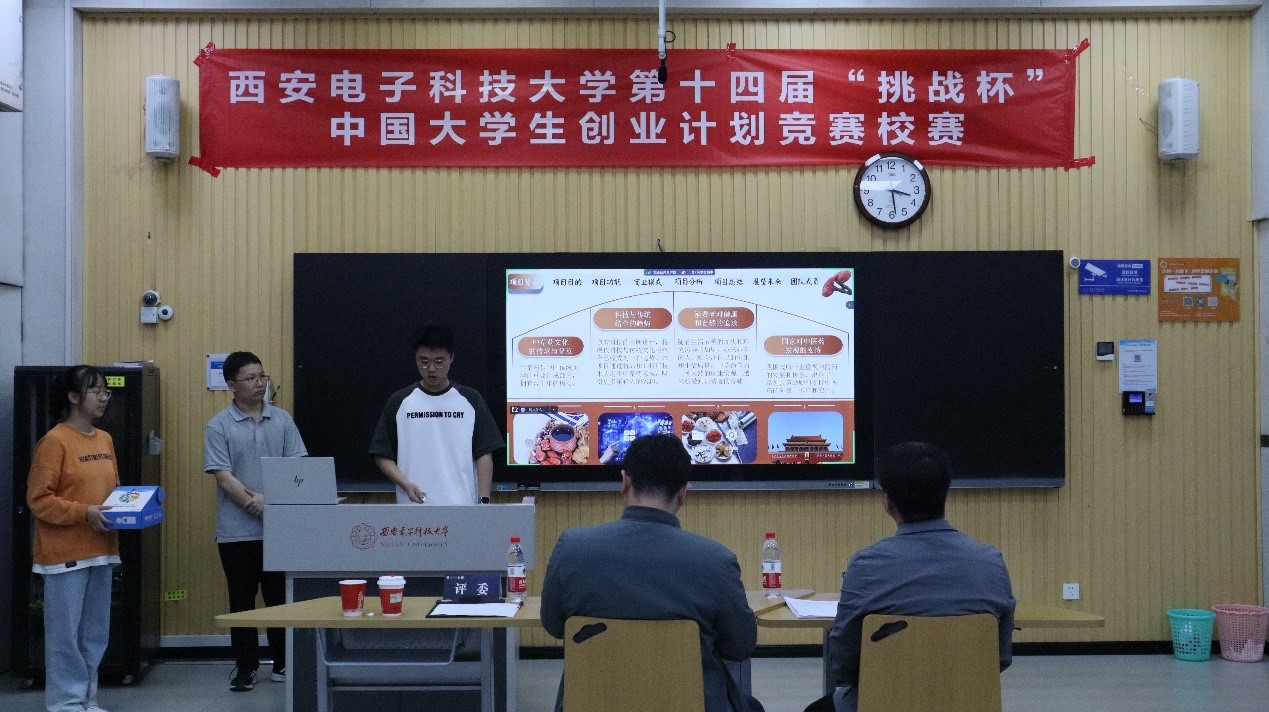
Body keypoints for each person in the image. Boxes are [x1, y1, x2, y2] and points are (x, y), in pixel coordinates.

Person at [540, 433, 763, 712]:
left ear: (625, 482)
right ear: (683, 493)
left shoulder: (572, 548)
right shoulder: (716, 561)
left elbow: (553, 624)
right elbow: (740, 647)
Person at [819, 442, 1015, 712]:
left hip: (882, 703)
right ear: (945, 492)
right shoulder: (991, 562)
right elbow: (1000, 659)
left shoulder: (866, 565)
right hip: (966, 702)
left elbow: (844, 663)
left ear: (887, 501)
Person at [204, 352, 307, 692]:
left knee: (279, 599)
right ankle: (246, 667)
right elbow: (223, 476)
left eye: (262, 376)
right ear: (231, 385)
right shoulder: (218, 425)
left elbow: (297, 468)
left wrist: (270, 503)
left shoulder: (282, 420)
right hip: (236, 532)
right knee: (242, 601)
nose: (259, 383)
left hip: (280, 529)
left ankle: (282, 663)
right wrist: (256, 503)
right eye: (250, 378)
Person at [27, 365, 120, 712]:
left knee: (95, 634)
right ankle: (66, 703)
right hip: (64, 555)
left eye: (106, 392)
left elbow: (113, 491)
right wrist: (85, 512)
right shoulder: (55, 441)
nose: (103, 398)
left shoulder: (105, 439)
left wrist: (129, 509)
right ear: (73, 397)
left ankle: (87, 699)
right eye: (96, 392)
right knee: (65, 636)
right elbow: (39, 500)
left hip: (103, 549)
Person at [369, 324, 502, 505]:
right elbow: (382, 453)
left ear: (451, 358)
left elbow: (484, 453)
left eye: (439, 362)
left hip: (462, 506)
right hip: (412, 506)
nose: (431, 369)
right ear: (415, 359)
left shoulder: (471, 400)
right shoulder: (400, 401)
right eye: (424, 361)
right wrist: (405, 484)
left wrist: (484, 500)